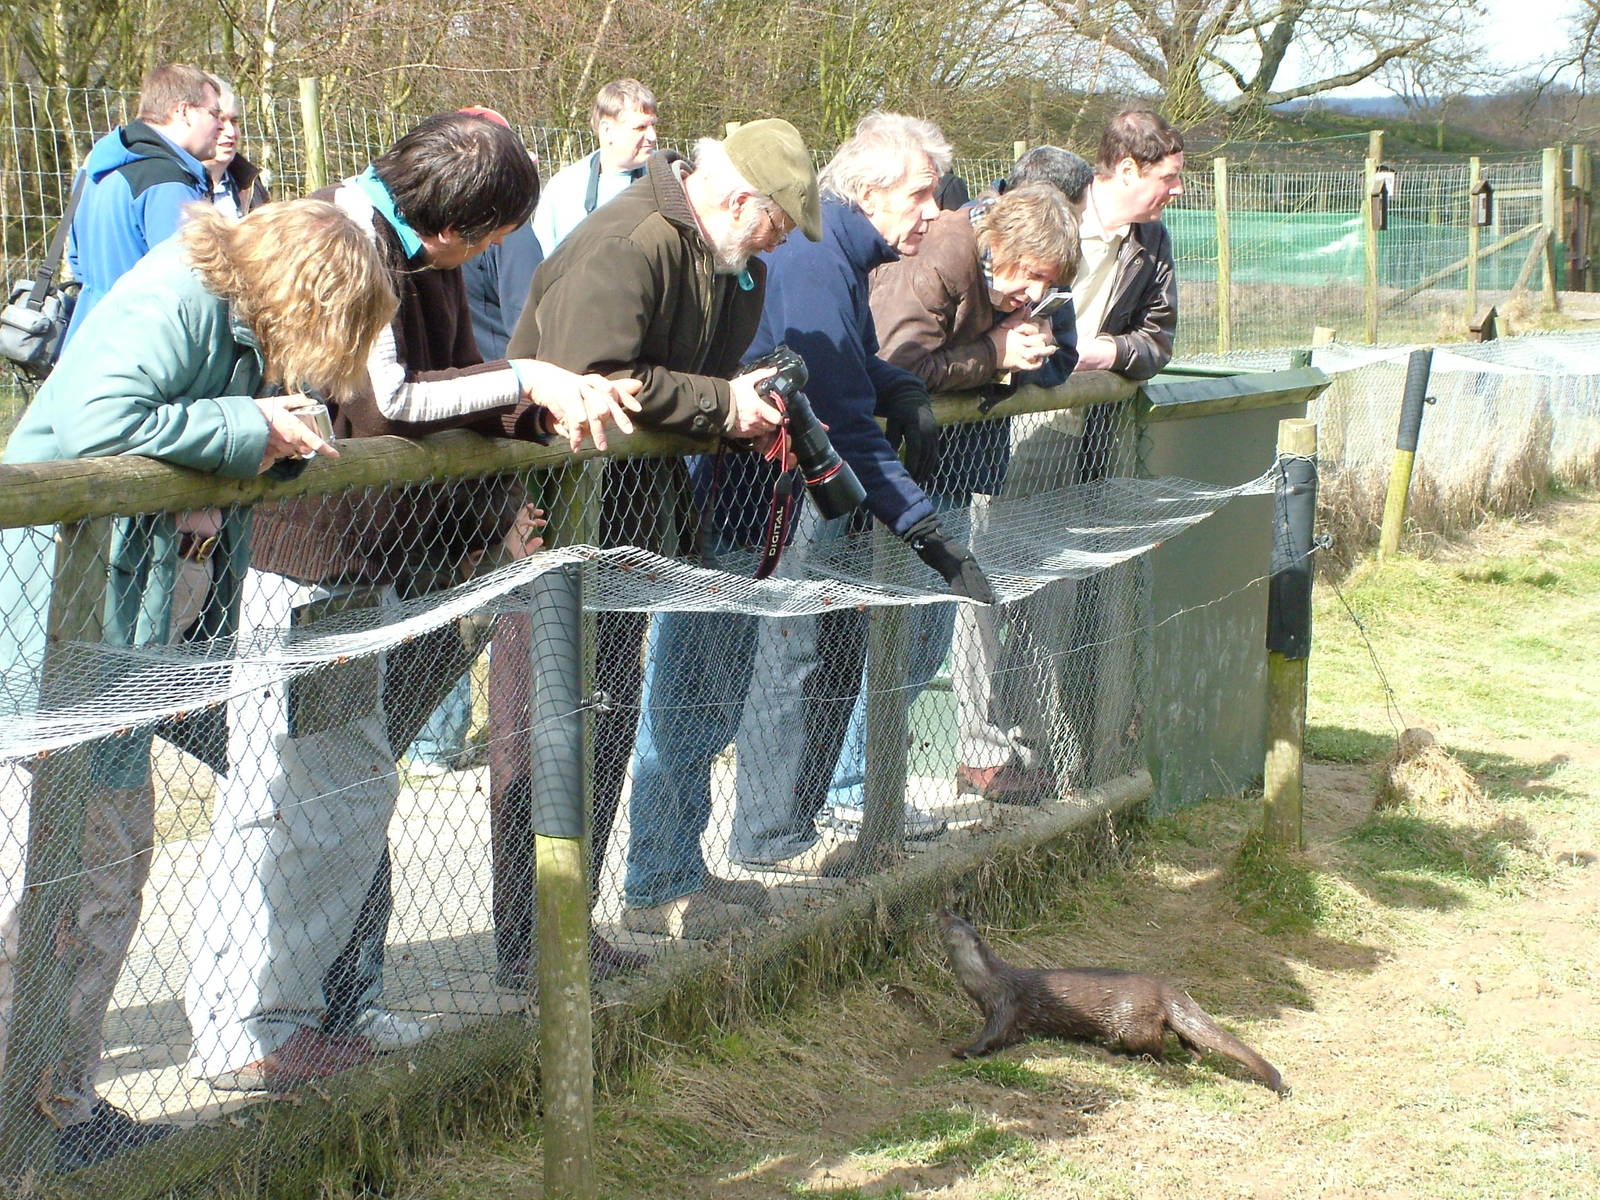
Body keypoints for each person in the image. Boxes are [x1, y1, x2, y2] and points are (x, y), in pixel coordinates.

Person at [184, 112, 641, 1092]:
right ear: (454, 225)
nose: (491, 258)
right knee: (284, 800)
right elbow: (392, 398)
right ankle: (244, 1029)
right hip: (312, 570)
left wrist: (531, 407)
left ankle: (289, 1012)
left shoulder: (410, 251)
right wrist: (526, 377)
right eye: (489, 239)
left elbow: (455, 387)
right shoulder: (353, 243)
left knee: (340, 796)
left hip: (367, 571)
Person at [0, 198, 393, 1170]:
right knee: (50, 886)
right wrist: (244, 423)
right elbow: (94, 424)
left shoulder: (242, 330)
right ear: (308, 297)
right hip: (65, 627)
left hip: (134, 632)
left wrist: (272, 441)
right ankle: (29, 1117)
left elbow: (204, 446)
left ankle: (60, 1101)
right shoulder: (177, 299)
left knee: (106, 878)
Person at [510, 120, 814, 942]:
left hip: (627, 523)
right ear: (738, 194)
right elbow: (588, 380)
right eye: (776, 219)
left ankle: (574, 935)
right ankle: (540, 949)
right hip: (547, 525)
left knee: (604, 726)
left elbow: (684, 382)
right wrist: (722, 406)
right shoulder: (629, 242)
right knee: (551, 742)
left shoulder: (728, 266)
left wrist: (735, 406)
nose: (780, 240)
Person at [824, 181, 1081, 821]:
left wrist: (1030, 350)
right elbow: (896, 363)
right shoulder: (941, 258)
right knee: (888, 636)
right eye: (1032, 280)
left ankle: (863, 788)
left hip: (957, 470)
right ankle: (854, 790)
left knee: (926, 638)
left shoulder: (1028, 284)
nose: (1035, 297)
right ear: (1005, 247)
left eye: (1047, 287)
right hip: (898, 474)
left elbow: (1060, 355)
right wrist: (993, 353)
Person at [994, 111, 1181, 796]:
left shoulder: (1151, 243)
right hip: (1010, 422)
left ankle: (1033, 752)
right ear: (1125, 167)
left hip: (1084, 434)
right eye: (1169, 176)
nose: (1177, 190)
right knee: (988, 585)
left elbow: (1158, 341)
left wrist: (1106, 354)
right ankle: (985, 748)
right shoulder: (1052, 212)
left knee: (1056, 599)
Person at [64, 63, 223, 343]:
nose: (221, 126)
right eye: (214, 114)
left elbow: (77, 261)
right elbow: (190, 283)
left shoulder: (97, 167)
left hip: (86, 339)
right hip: (140, 349)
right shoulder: (167, 180)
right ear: (183, 111)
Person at [531, 78, 658, 257]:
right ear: (607, 130)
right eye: (641, 127)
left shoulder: (666, 180)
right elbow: (542, 265)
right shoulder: (563, 189)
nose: (652, 136)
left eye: (653, 125)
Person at [200, 76, 270, 218]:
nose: (230, 132)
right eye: (219, 120)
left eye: (234, 121)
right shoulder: (174, 187)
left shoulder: (250, 185)